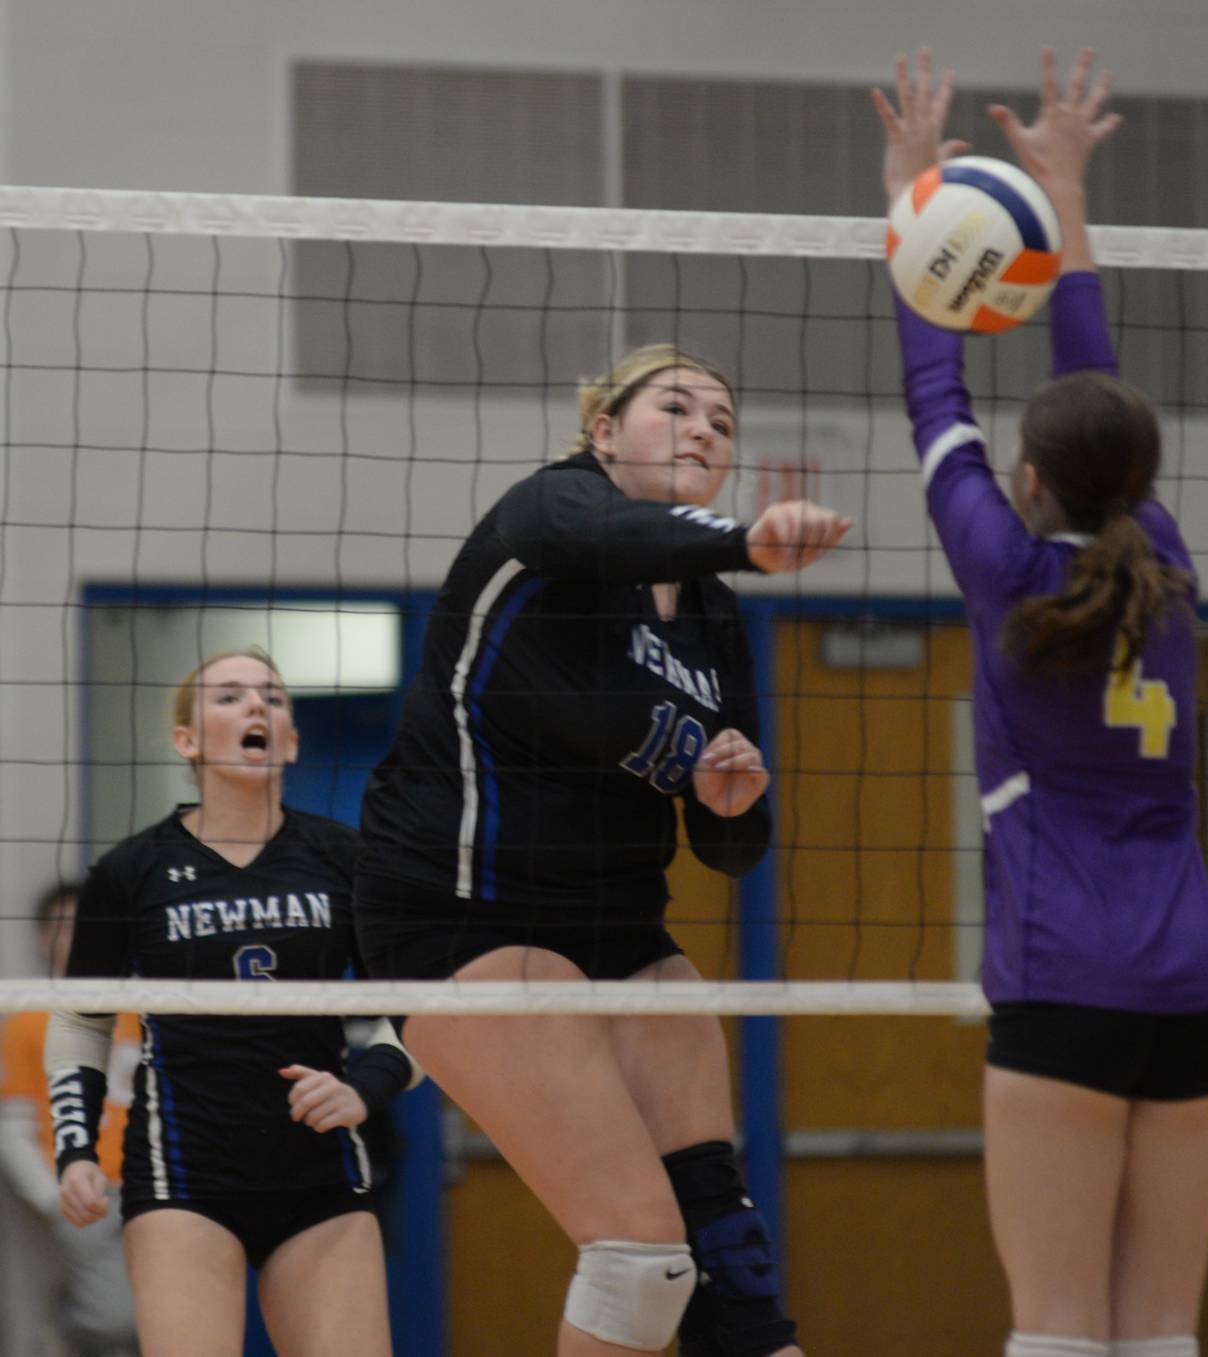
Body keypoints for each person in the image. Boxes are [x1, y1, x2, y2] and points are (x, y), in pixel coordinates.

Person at [355, 342, 850, 1357]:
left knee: (730, 1260)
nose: (704, 429)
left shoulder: (711, 615)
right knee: (640, 1253)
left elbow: (732, 847)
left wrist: (727, 793)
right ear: (602, 430)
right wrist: (748, 538)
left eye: (722, 422)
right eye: (675, 406)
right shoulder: (544, 515)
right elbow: (597, 528)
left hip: (622, 927)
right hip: (463, 912)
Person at [873, 49, 1208, 1357]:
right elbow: (1098, 394)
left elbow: (936, 388)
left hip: (1065, 981)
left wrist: (916, 196)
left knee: (1055, 1332)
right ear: (1132, 477)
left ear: (1029, 479)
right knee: (1159, 1336)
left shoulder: (1006, 572)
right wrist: (1066, 188)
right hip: (1201, 990)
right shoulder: (1169, 564)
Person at [44, 647, 423, 1357]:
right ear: (188, 740)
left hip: (321, 1173)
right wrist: (75, 1147)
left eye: (273, 698)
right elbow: (80, 1017)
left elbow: (420, 1010)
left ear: (292, 739)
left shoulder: (349, 859)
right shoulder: (131, 871)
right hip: (186, 1173)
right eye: (230, 697)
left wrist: (365, 1088)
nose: (256, 707)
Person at [0, 881, 140, 1357]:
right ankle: (63, 1335)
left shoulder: (141, 1009)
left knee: (163, 1313)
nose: (76, 936)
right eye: (64, 926)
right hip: (79, 1192)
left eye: (87, 925)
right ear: (43, 939)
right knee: (116, 1319)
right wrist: (50, 1194)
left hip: (150, 1188)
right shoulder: (27, 1017)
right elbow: (13, 1126)